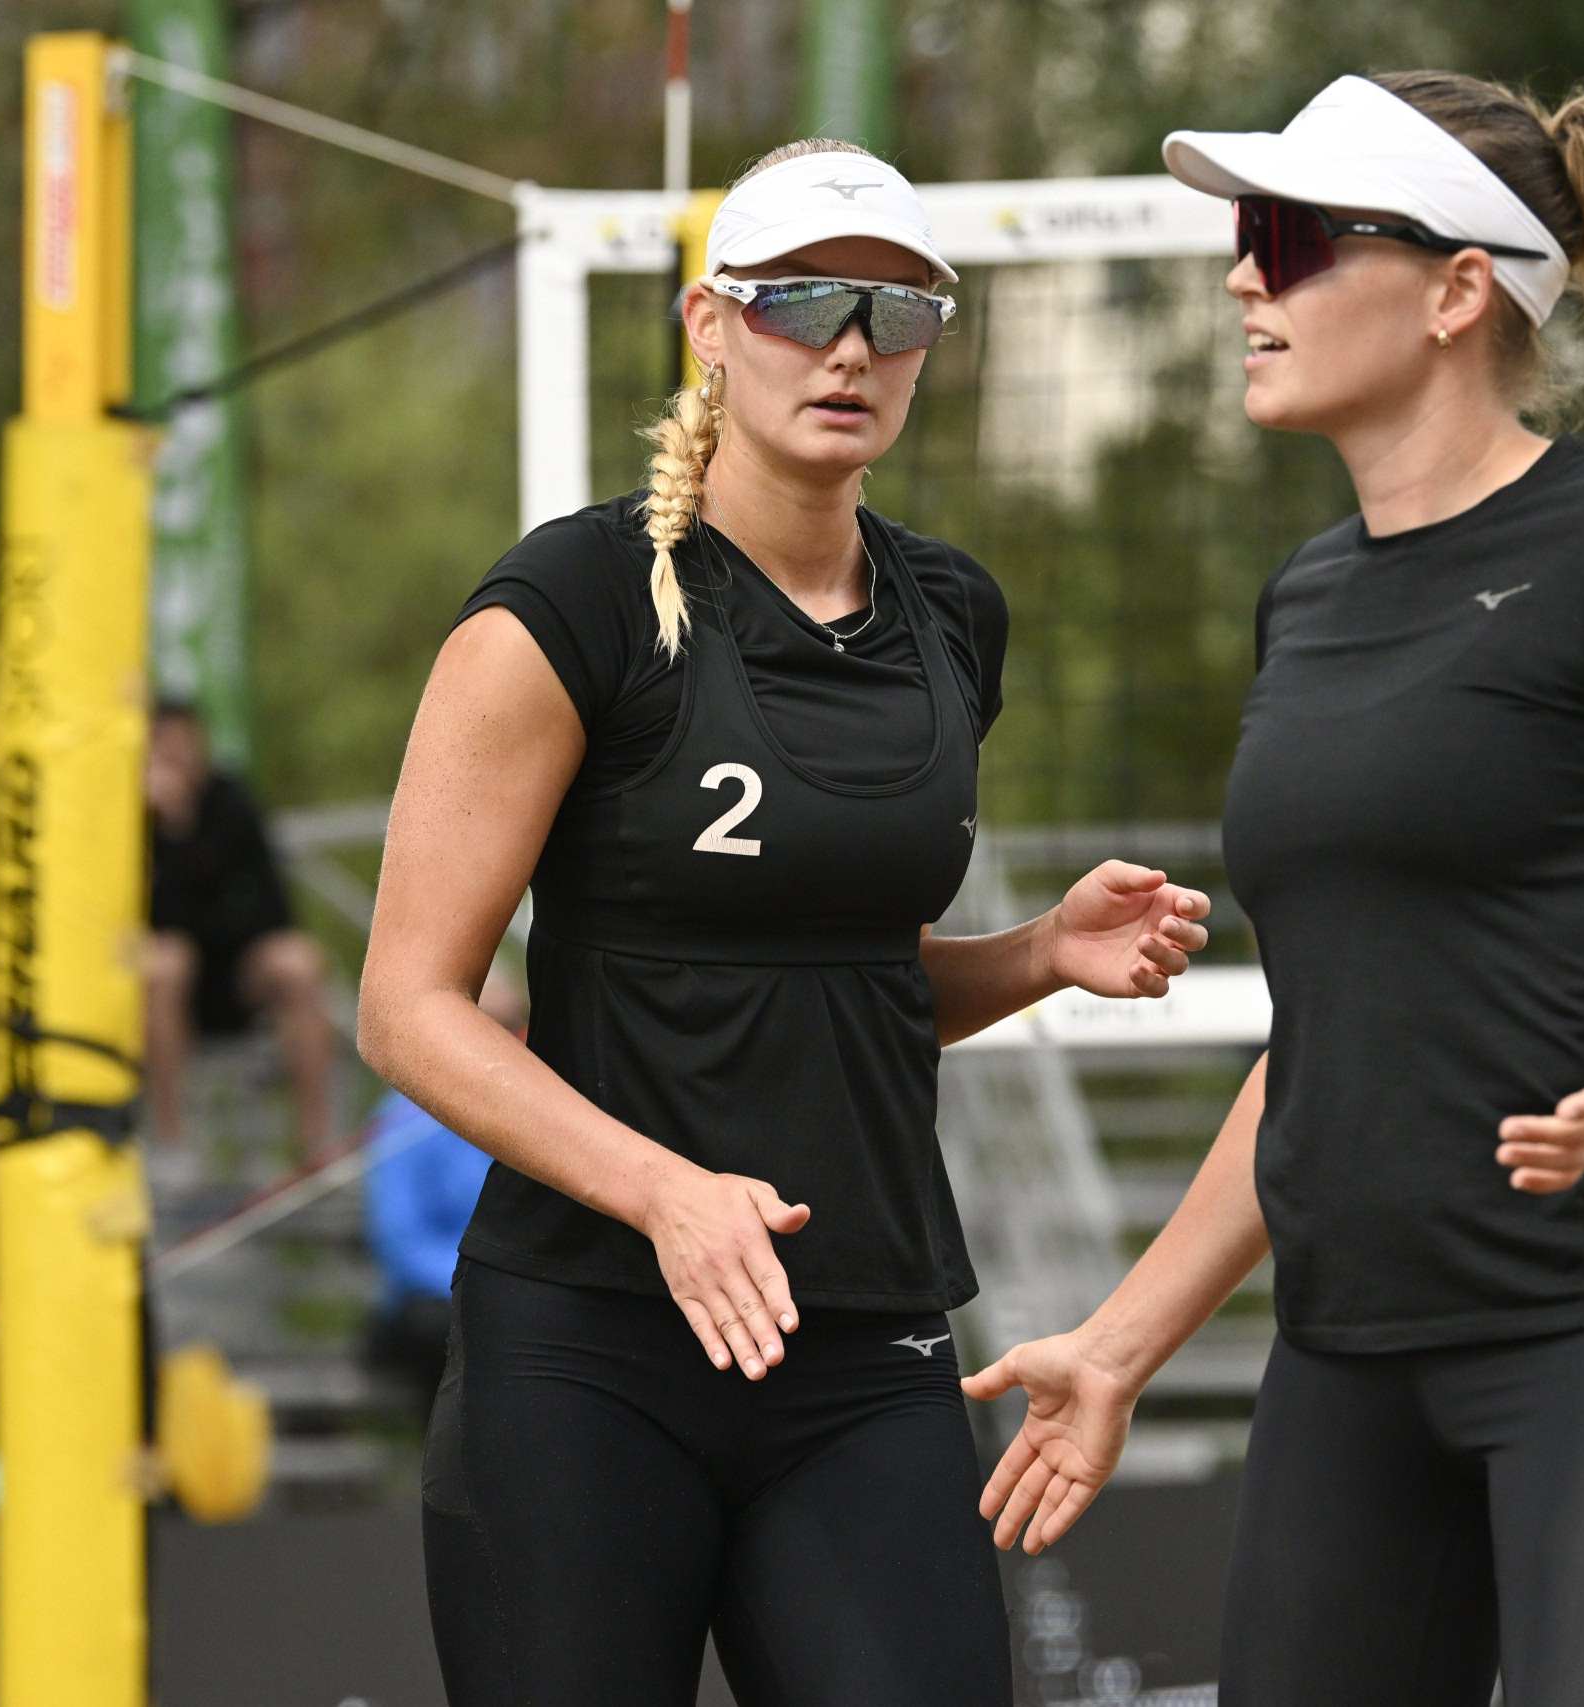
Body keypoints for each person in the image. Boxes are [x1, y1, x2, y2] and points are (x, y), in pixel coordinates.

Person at [963, 74, 1584, 1707]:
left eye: (1289, 238)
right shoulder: (1308, 596)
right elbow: (1328, 1044)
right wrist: (1117, 1344)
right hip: (1352, 1342)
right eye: (1245, 236)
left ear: (1460, 289)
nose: (1242, 276)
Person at [357, 140, 1210, 1706]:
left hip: (865, 1334)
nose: (851, 347)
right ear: (710, 322)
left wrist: (1037, 954)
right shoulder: (575, 601)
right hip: (594, 1337)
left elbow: (843, 980)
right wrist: (668, 1195)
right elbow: (405, 1007)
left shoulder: (954, 614)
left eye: (899, 311)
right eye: (806, 302)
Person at [144, 701, 340, 1160]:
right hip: (169, 990)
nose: (179, 760)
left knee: (299, 962)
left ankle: (317, 1142)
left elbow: (273, 909)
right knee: (167, 962)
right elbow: (138, 921)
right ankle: (172, 1142)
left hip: (238, 974)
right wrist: (167, 828)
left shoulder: (232, 803)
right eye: (166, 750)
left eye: (187, 745)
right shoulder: (129, 819)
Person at [359, 965, 517, 1418]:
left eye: (514, 1024)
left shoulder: (541, 1120)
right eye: (493, 1027)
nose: (511, 1040)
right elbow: (397, 1238)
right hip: (436, 1300)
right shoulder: (406, 1119)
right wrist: (485, 1282)